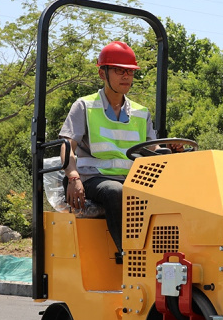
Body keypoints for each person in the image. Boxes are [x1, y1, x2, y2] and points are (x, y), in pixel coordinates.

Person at [59, 41, 156, 264]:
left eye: (130, 71)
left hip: (131, 181)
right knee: (115, 192)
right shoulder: (84, 106)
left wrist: (173, 150)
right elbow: (66, 148)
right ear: (103, 73)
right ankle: (131, 256)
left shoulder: (141, 113)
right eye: (119, 70)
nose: (126, 76)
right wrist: (73, 178)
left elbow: (154, 149)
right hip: (91, 179)